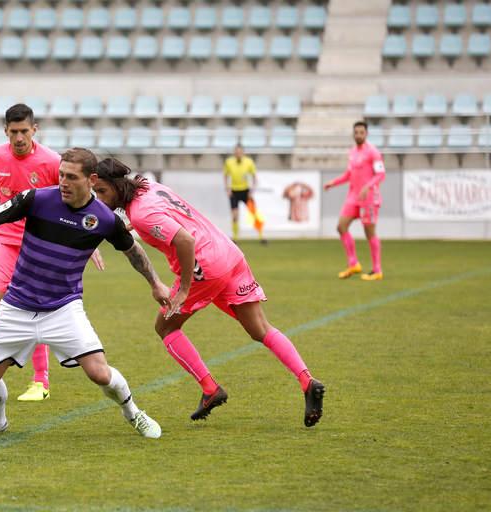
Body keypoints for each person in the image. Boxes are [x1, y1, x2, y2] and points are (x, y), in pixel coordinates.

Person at [0, 148, 166, 439]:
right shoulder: (37, 199)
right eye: (61, 175)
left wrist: (155, 283)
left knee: (99, 373)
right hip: (17, 305)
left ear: (91, 179)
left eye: (71, 177)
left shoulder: (103, 219)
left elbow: (133, 250)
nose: (63, 182)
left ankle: (134, 414)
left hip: (63, 308)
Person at [93, 158, 326, 427]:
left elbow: (184, 240)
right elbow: (168, 217)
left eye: (102, 191)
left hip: (205, 266)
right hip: (228, 252)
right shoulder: (148, 187)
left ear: (119, 186)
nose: (99, 198)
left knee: (166, 328)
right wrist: (135, 225)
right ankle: (307, 381)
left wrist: (184, 289)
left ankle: (210, 388)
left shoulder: (142, 214)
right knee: (260, 328)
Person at [0, 103, 103, 400]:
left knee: (35, 307)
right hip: (6, 239)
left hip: (40, 243)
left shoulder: (51, 162)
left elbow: (74, 199)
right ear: (6, 131)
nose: (19, 137)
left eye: (24, 131)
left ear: (34, 130)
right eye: (13, 132)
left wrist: (84, 242)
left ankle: (40, 381)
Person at [324, 121, 386, 281]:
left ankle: (377, 270)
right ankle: (353, 264)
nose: (358, 135)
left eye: (361, 132)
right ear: (353, 134)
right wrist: (333, 183)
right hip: (353, 197)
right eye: (356, 132)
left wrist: (368, 186)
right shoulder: (352, 152)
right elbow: (349, 175)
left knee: (369, 232)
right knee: (341, 226)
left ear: (366, 134)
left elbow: (381, 174)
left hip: (369, 198)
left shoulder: (373, 152)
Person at [223, 145, 265, 243]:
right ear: (234, 152)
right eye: (236, 152)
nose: (238, 153)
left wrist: (252, 190)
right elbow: (225, 176)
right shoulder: (229, 162)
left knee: (254, 213)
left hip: (246, 191)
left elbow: (254, 177)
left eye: (240, 151)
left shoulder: (248, 162)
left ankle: (261, 236)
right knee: (235, 216)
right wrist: (227, 189)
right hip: (234, 191)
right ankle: (235, 238)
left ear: (243, 152)